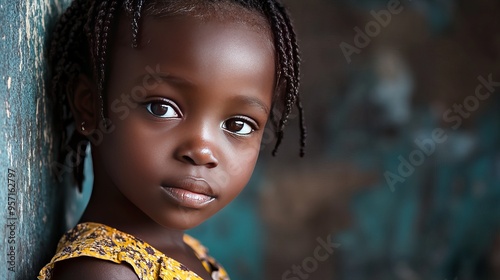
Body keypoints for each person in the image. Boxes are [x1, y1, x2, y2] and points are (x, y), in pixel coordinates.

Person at [39, 0, 306, 279]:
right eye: (161, 108)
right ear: (90, 106)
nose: (202, 151)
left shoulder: (193, 253)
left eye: (238, 125)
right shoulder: (104, 273)